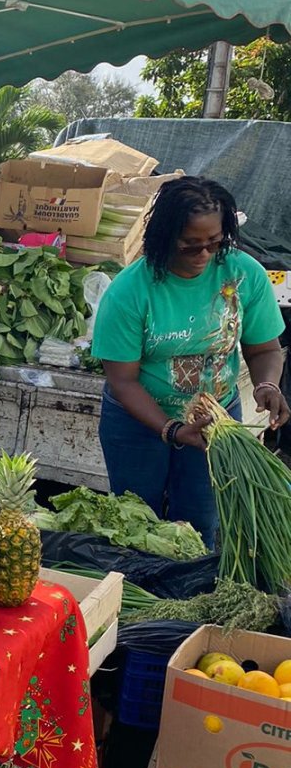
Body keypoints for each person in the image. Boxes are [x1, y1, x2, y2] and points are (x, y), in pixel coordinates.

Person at [92, 175, 288, 548]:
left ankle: (192, 582)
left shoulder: (244, 274)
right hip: (137, 425)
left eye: (215, 242)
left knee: (200, 523)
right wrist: (173, 430)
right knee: (137, 526)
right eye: (190, 245)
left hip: (216, 422)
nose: (204, 255)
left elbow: (264, 349)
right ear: (165, 237)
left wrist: (267, 384)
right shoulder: (130, 291)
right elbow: (123, 381)